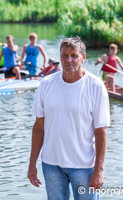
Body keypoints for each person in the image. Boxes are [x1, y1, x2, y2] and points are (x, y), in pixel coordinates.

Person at [28, 37, 110, 200]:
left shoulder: (95, 86)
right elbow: (38, 127)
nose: (69, 60)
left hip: (83, 166)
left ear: (83, 57)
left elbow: (101, 131)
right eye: (65, 56)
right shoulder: (46, 84)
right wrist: (32, 164)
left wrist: (99, 171)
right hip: (51, 165)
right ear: (60, 57)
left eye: (74, 55)